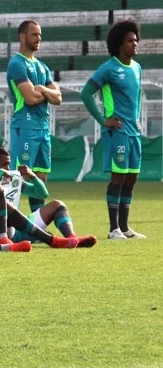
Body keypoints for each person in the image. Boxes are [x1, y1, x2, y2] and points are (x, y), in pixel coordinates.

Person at [81, 19, 146, 239]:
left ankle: (125, 228)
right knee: (118, 179)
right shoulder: (108, 68)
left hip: (133, 132)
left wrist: (137, 119)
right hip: (117, 131)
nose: (135, 44)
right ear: (119, 44)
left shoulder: (137, 68)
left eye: (136, 40)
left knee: (131, 179)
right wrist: (102, 119)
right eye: (130, 40)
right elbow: (86, 93)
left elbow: (135, 97)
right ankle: (113, 229)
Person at [0, 147, 97, 247]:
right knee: (5, 208)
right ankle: (4, 240)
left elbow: (41, 194)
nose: (8, 168)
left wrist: (33, 176)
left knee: (57, 205)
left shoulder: (10, 178)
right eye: (5, 165)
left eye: (9, 164)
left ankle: (72, 239)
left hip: (16, 230)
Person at [6, 19, 63, 213]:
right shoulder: (16, 64)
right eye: (34, 34)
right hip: (26, 127)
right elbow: (29, 98)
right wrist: (46, 92)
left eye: (40, 35)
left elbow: (58, 98)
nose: (38, 38)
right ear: (22, 37)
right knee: (18, 177)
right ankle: (8, 227)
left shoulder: (42, 67)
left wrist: (41, 90)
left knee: (40, 179)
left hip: (43, 128)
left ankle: (35, 226)